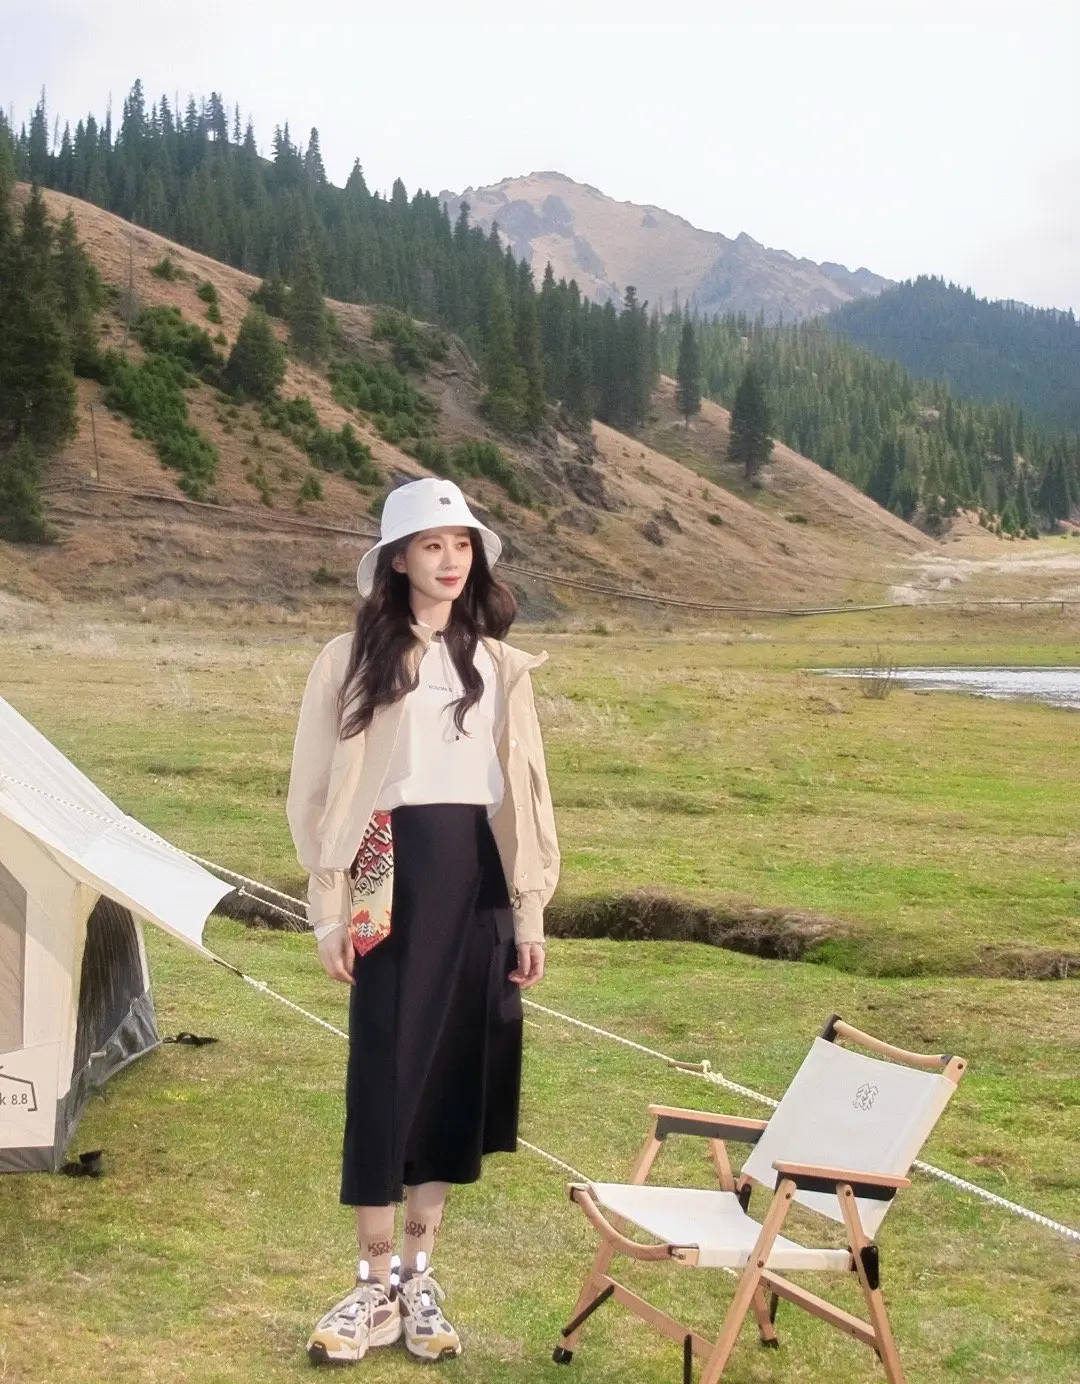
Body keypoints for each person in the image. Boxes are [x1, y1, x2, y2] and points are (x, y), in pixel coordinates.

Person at [286, 476, 560, 1366]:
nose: (450, 560)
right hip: (383, 863)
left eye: (462, 544)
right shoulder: (350, 659)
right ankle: (370, 1286)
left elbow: (524, 800)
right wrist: (330, 909)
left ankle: (417, 1277)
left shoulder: (501, 666)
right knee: (385, 1071)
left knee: (452, 1073)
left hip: (476, 872)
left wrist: (528, 913)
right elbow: (318, 790)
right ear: (397, 559)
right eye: (432, 545)